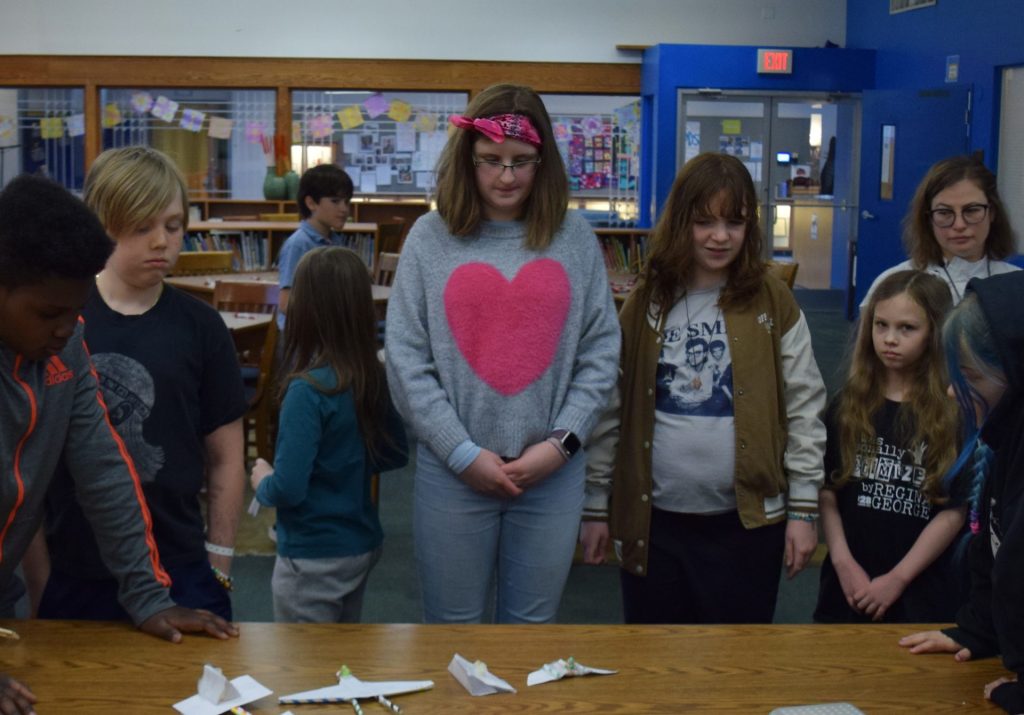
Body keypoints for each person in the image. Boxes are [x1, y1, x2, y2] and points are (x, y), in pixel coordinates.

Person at [384, 83, 620, 624]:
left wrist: (560, 445)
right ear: (467, 158)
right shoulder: (429, 238)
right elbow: (405, 358)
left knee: (530, 636)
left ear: (544, 161)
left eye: (521, 161)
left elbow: (601, 351)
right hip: (453, 473)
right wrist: (462, 453)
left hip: (552, 474)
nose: (506, 176)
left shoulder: (574, 239)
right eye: (490, 160)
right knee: (453, 631)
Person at [0, 175, 236, 714]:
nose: (67, 329)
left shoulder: (66, 348)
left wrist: (146, 596)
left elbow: (104, 469)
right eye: (48, 314)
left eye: (76, 310)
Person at [581, 152, 826, 624]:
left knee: (736, 659)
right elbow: (611, 407)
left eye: (734, 223)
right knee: (655, 656)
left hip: (747, 526)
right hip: (655, 524)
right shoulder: (647, 300)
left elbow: (804, 403)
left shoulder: (772, 300)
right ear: (681, 223)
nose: (720, 236)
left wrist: (803, 509)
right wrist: (596, 504)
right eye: (704, 222)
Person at [30, 147, 246, 622]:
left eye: (173, 225)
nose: (162, 242)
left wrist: (219, 563)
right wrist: (41, 579)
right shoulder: (58, 322)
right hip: (74, 568)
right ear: (101, 226)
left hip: (181, 565)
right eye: (142, 227)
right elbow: (29, 464)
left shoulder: (202, 327)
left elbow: (227, 458)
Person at [250, 246, 408, 623]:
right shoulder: (372, 376)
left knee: (303, 655)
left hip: (312, 553)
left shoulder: (307, 391)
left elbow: (288, 488)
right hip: (360, 543)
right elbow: (394, 453)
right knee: (340, 651)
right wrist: (344, 464)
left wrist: (262, 481)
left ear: (305, 310)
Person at [899, 271, 1024, 714]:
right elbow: (995, 559)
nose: (953, 392)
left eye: (968, 375)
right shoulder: (1003, 442)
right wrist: (978, 631)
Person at [814, 270, 965, 624]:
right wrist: (842, 562)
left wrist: (899, 578)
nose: (890, 339)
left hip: (920, 591)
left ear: (935, 333)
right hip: (848, 584)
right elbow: (828, 490)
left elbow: (954, 509)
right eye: (880, 325)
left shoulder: (953, 412)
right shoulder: (848, 404)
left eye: (907, 328)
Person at [861, 155, 1019, 309]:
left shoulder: (1017, 284)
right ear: (928, 218)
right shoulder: (893, 286)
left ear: (992, 213)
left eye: (971, 210)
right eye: (944, 212)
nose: (959, 225)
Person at [276, 163, 354, 329]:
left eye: (347, 202)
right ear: (311, 203)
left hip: (326, 331)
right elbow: (285, 303)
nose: (344, 209)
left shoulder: (336, 242)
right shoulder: (299, 244)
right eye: (335, 201)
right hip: (303, 335)